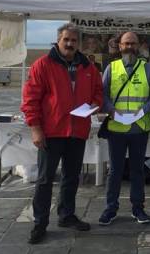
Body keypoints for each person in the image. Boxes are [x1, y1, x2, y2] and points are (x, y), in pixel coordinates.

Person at [21, 23, 103, 244]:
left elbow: (98, 93)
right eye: (66, 39)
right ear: (58, 40)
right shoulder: (43, 65)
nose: (69, 44)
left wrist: (93, 106)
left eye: (74, 40)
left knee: (71, 177)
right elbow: (30, 99)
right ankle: (40, 222)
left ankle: (66, 215)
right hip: (51, 132)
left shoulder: (88, 67)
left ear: (79, 43)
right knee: (45, 179)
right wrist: (36, 128)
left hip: (77, 132)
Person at [99, 31, 150, 226]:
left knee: (137, 171)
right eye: (126, 44)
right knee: (115, 171)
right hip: (116, 128)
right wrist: (112, 111)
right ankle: (110, 208)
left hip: (139, 128)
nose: (129, 47)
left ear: (138, 46)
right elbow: (103, 94)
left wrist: (144, 111)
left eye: (133, 44)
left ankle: (138, 208)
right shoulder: (111, 68)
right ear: (119, 46)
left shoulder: (148, 69)